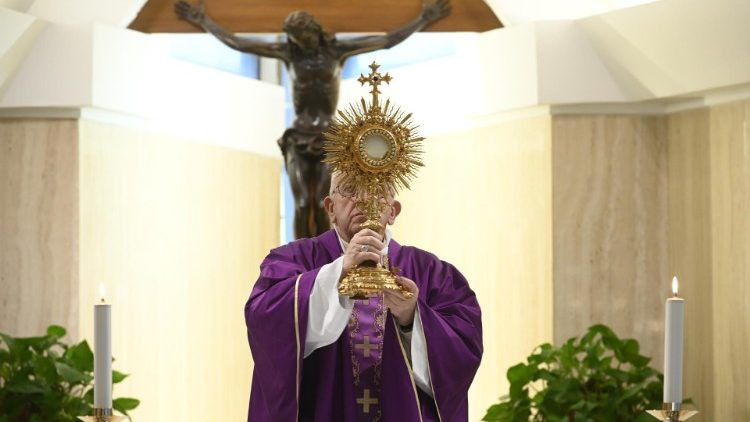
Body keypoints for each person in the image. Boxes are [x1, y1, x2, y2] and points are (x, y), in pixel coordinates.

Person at [175, 0, 451, 239]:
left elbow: (386, 41)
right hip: (298, 137)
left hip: (329, 139)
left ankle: (324, 255)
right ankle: (299, 256)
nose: (300, 42)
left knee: (322, 202)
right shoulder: (289, 53)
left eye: (303, 36)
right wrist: (204, 21)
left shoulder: (336, 52)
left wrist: (423, 19)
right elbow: (240, 43)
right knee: (301, 203)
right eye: (295, 39)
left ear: (314, 31)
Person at [244, 172, 483, 421]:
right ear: (330, 208)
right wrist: (338, 273)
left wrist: (412, 318)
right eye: (350, 188)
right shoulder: (291, 260)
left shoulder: (433, 273)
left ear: (393, 212)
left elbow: (463, 350)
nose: (364, 199)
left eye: (377, 190)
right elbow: (264, 317)